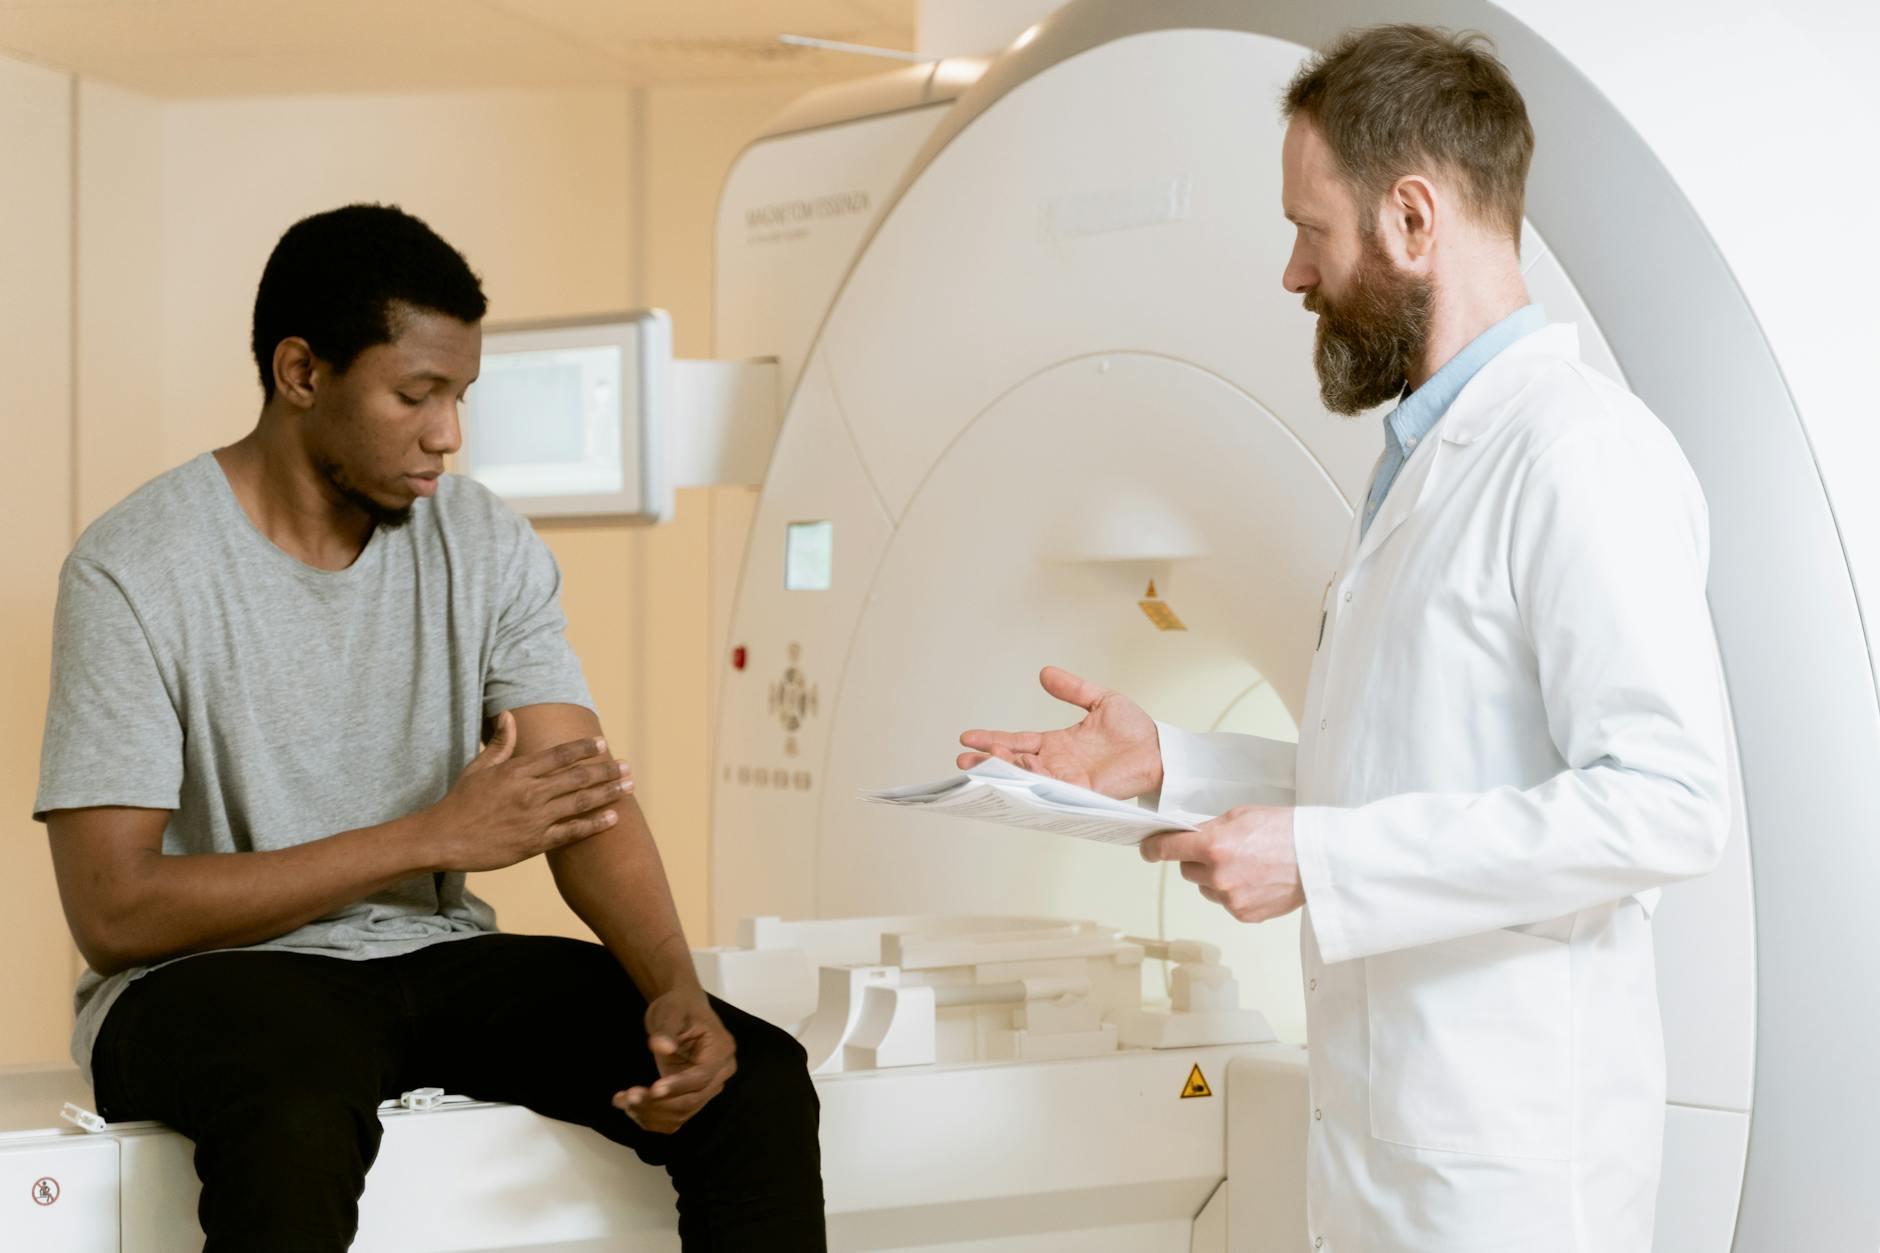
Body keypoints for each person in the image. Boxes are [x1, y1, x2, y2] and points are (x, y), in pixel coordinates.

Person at [960, 25, 1728, 1253]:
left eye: (1309, 230)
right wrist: (1169, 760)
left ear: (1411, 221)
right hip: (1391, 1142)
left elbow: (1666, 802)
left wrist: (1323, 861)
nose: (1291, 274)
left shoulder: (1577, 455)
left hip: (1510, 1170)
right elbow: (1407, 771)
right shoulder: (1421, 464)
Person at [35, 203, 826, 1252]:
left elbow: (576, 794)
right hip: (206, 981)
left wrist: (674, 985)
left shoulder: (481, 536)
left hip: (431, 957)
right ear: (300, 372)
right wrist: (430, 836)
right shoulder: (133, 567)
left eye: (458, 395)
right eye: (416, 394)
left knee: (757, 1079)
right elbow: (115, 910)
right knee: (293, 1110)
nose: (447, 433)